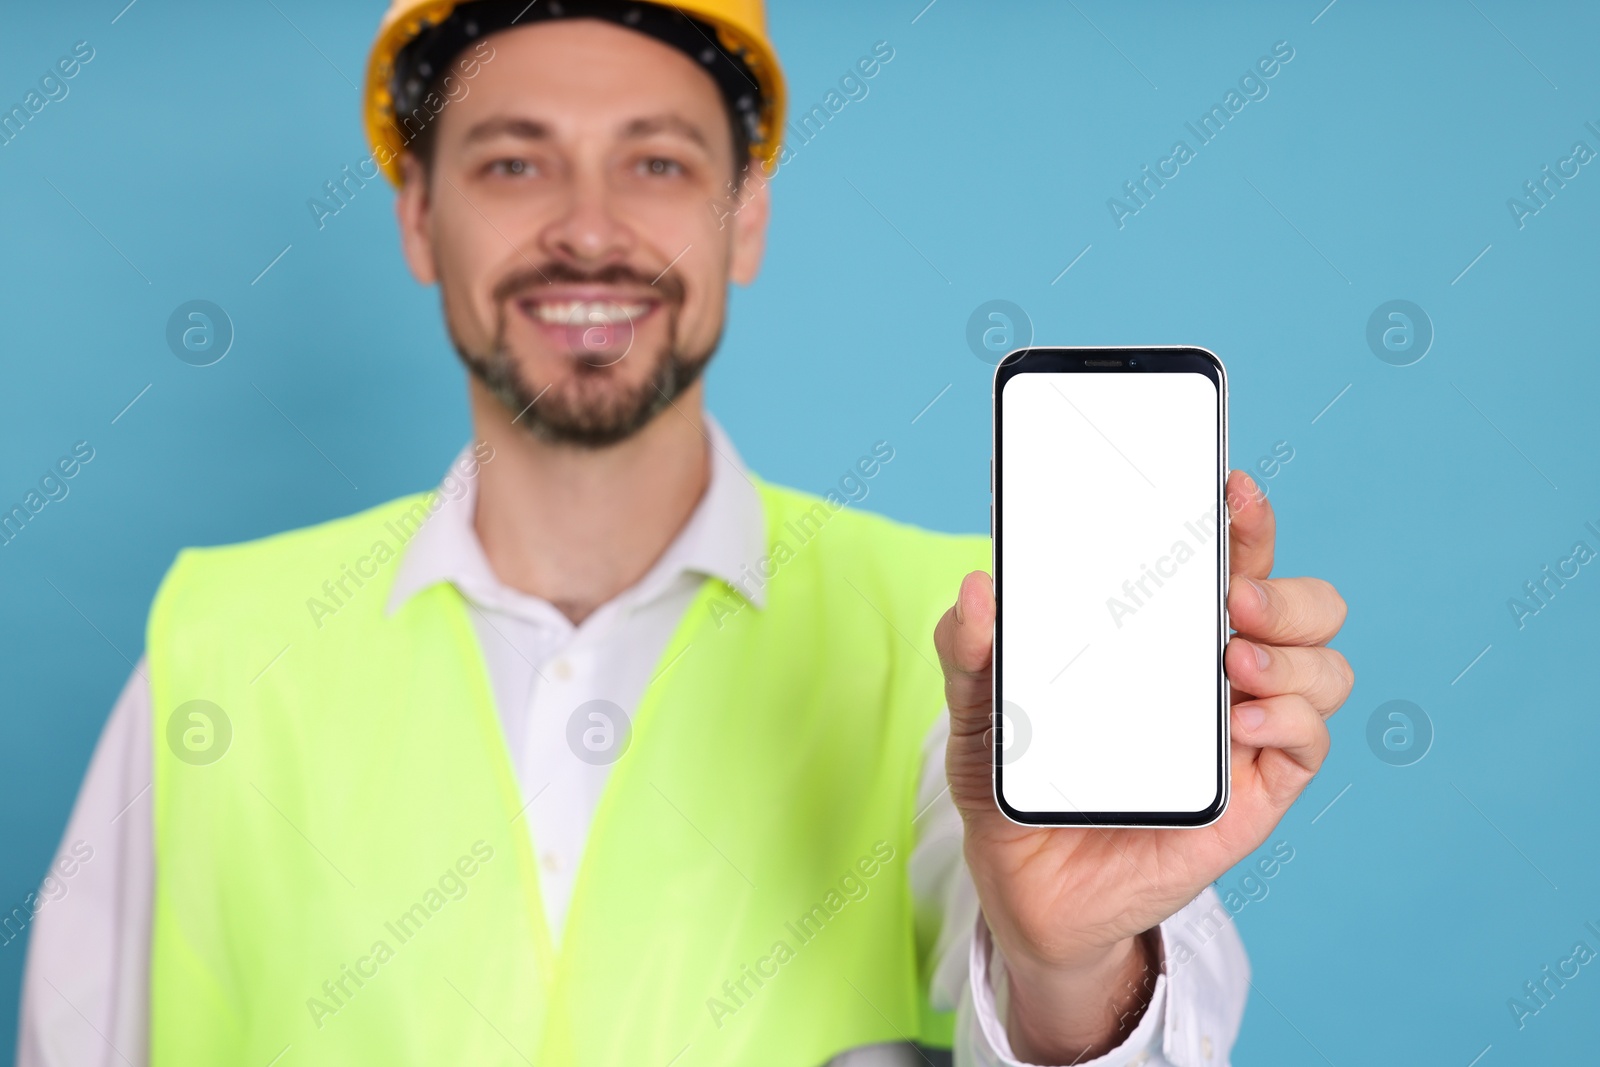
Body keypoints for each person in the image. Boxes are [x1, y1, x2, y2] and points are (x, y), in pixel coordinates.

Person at [16, 1, 1352, 1064]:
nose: (587, 228)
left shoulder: (969, 653)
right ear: (421, 215)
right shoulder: (217, 654)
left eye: (656, 162)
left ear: (745, 218)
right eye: (512, 160)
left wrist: (1069, 969)